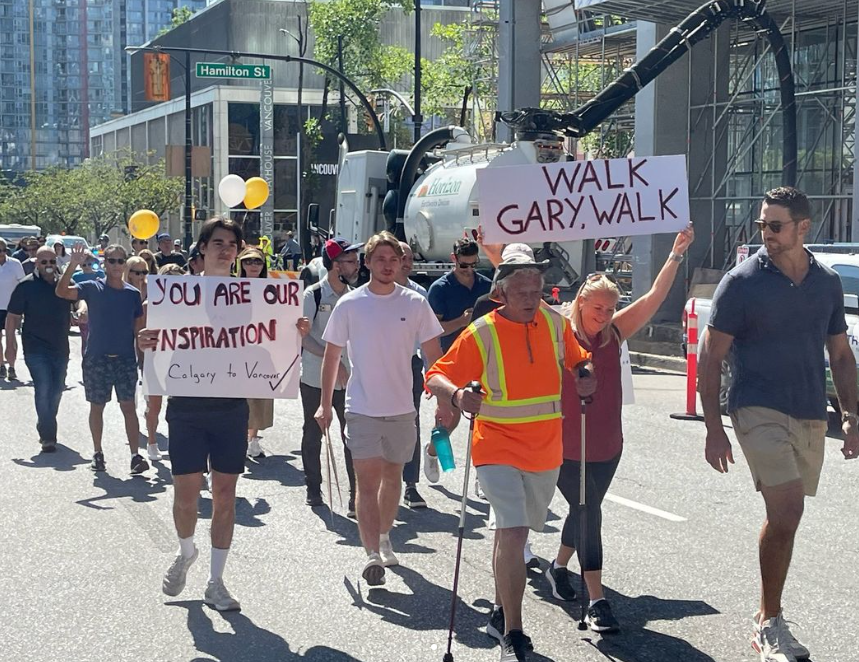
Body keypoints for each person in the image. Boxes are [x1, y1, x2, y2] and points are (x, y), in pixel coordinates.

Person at [700, 187, 859, 662]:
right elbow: (711, 356)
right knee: (788, 510)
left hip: (810, 410)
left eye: (775, 226)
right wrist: (713, 425)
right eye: (762, 225)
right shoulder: (742, 282)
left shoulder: (827, 282)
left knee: (786, 518)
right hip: (755, 406)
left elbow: (841, 354)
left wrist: (851, 414)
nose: (765, 234)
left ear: (802, 227)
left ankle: (766, 612)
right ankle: (771, 622)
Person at [426, 249, 595, 662]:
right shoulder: (481, 332)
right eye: (521, 290)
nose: (530, 297)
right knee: (514, 530)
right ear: (501, 292)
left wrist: (585, 374)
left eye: (536, 289)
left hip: (545, 449)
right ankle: (513, 630)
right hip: (496, 445)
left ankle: (500, 611)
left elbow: (580, 359)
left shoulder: (556, 324)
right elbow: (435, 374)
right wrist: (459, 395)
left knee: (515, 532)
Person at [139, 216, 309, 611]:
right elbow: (155, 343)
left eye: (232, 244)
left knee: (225, 496)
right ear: (203, 248)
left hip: (231, 408)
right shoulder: (177, 293)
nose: (225, 249)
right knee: (185, 497)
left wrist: (292, 331)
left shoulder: (256, 297)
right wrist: (144, 340)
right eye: (218, 242)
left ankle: (216, 582)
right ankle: (185, 552)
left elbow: (273, 342)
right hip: (185, 407)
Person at [541, 225, 694, 635]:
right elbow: (520, 291)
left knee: (584, 510)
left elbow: (653, 298)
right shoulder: (558, 331)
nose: (605, 316)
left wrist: (676, 253)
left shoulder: (614, 334)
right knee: (589, 511)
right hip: (566, 445)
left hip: (608, 444)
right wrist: (492, 248)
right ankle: (597, 601)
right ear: (580, 304)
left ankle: (557, 568)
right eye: (598, 309)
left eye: (610, 309)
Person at [315, 231, 445, 586]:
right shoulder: (350, 304)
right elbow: (331, 356)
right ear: (367, 263)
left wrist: (443, 394)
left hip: (402, 408)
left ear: (401, 263)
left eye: (394, 260)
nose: (388, 266)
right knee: (367, 482)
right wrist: (325, 405)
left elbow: (433, 354)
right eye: (380, 260)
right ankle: (372, 553)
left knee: (393, 479)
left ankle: (385, 536)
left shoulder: (415, 303)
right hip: (361, 409)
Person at [56, 243, 148, 475]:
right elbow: (62, 291)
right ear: (104, 263)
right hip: (97, 359)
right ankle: (97, 452)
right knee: (97, 407)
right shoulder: (90, 286)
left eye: (120, 260)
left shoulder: (132, 294)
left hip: (125, 359)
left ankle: (135, 455)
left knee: (129, 407)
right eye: (112, 260)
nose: (117, 265)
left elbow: (138, 330)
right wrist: (73, 264)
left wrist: (144, 359)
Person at [300, 238, 360, 513]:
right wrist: (333, 360)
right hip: (315, 378)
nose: (356, 265)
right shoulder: (313, 295)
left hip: (350, 380)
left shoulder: (356, 296)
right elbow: (305, 338)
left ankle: (355, 498)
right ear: (335, 266)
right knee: (313, 434)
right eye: (350, 261)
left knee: (355, 437)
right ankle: (314, 489)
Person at [4, 246, 73, 452]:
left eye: (52, 262)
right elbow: (13, 317)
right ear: (36, 264)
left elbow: (79, 300)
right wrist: (10, 345)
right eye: (44, 262)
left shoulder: (65, 283)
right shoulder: (26, 286)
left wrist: (81, 310)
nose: (49, 266)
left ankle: (45, 422)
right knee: (43, 388)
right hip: (35, 347)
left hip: (60, 346)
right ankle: (48, 435)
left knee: (57, 389)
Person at [393, 241, 437, 509]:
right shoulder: (372, 294)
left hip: (410, 365)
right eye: (403, 258)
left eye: (410, 258)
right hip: (381, 365)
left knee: (412, 424)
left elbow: (427, 339)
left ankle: (410, 485)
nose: (408, 263)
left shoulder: (420, 294)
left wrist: (431, 374)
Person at [141, 263, 184, 464]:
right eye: (168, 279)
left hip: (183, 360)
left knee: (183, 408)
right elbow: (139, 336)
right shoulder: (148, 306)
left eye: (177, 278)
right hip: (156, 358)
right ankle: (151, 441)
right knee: (155, 406)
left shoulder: (191, 306)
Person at [237, 246, 274, 459]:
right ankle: (239, 439)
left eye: (258, 261)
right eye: (249, 261)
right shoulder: (230, 286)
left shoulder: (273, 291)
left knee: (259, 396)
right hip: (237, 347)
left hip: (263, 347)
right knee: (240, 398)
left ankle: (253, 439)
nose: (253, 265)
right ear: (241, 264)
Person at [428, 237, 492, 353]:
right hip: (453, 357)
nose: (468, 269)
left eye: (473, 265)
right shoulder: (439, 289)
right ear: (454, 258)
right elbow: (432, 330)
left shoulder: (486, 285)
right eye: (464, 265)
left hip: (483, 354)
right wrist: (461, 321)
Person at [0, 238, 25, 380]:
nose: (2, 253)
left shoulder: (15, 264)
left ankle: (12, 366)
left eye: (4, 250)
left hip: (12, 308)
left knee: (11, 338)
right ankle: (1, 365)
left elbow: (22, 285)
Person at [71, 251, 104, 356]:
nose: (87, 267)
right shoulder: (76, 277)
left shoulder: (100, 274)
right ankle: (85, 357)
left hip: (98, 308)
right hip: (82, 306)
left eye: (89, 264)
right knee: (85, 336)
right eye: (84, 265)